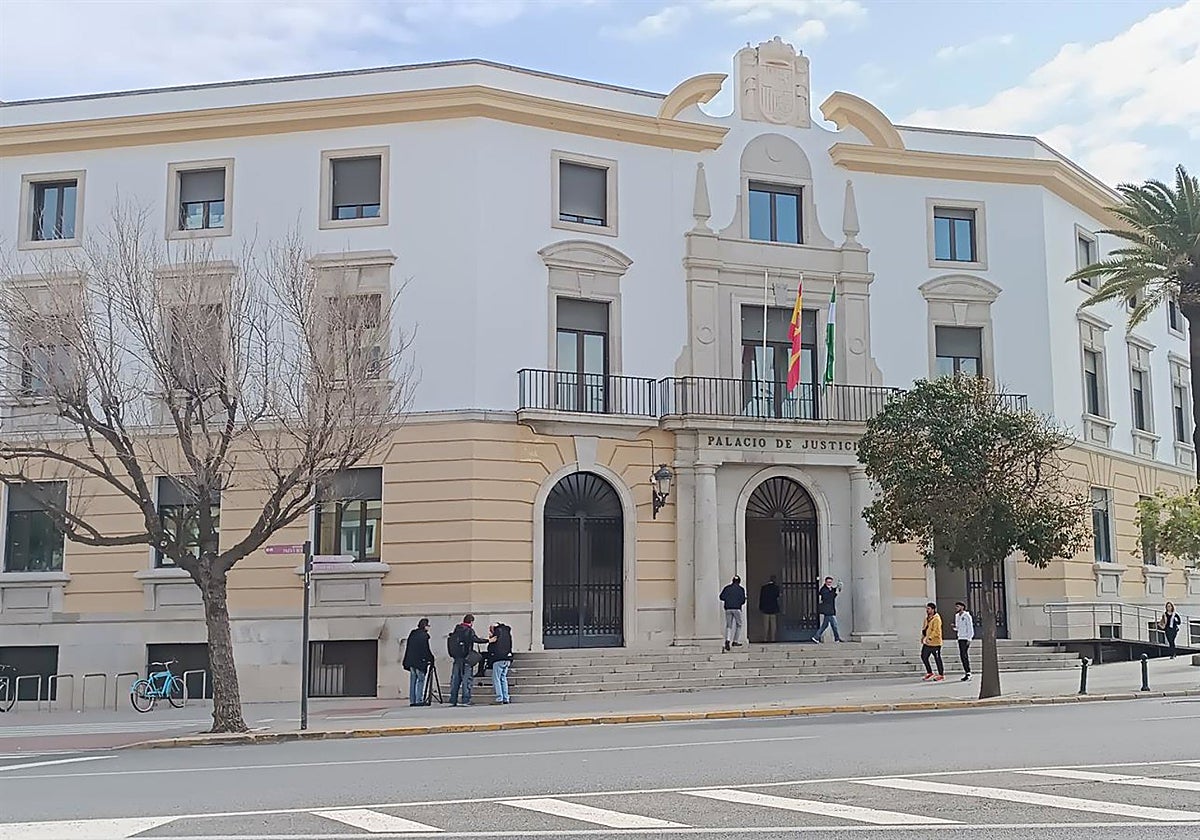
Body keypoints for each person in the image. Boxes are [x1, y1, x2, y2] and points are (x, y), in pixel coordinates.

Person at [447, 613, 486, 707]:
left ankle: (453, 699)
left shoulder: (457, 630)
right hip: (466, 658)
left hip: (457, 657)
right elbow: (475, 639)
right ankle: (466, 699)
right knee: (467, 679)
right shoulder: (469, 631)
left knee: (455, 679)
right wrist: (488, 640)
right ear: (471, 622)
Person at [402, 618, 434, 706]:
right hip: (420, 662)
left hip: (411, 661)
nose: (429, 627)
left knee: (413, 681)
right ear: (425, 626)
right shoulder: (423, 636)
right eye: (428, 625)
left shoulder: (413, 634)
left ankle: (412, 700)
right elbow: (426, 650)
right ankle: (419, 700)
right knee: (420, 680)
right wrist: (431, 658)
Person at [487, 621, 514, 704]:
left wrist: (490, 638)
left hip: (498, 658)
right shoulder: (506, 632)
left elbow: (491, 648)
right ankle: (506, 698)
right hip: (507, 658)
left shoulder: (497, 634)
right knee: (503, 678)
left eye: (491, 629)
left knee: (496, 679)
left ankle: (499, 698)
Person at [720, 575, 747, 652]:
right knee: (739, 624)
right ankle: (735, 641)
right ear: (739, 582)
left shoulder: (727, 588)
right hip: (737, 609)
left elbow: (721, 597)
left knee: (729, 625)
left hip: (728, 608)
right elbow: (743, 601)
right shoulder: (741, 589)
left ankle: (728, 640)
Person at [813, 577, 842, 643]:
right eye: (828, 582)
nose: (829, 583)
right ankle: (837, 638)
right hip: (828, 610)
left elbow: (833, 591)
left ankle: (816, 637)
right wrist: (835, 594)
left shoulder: (830, 589)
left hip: (830, 609)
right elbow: (828, 597)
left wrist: (838, 587)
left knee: (825, 626)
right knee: (834, 625)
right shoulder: (823, 590)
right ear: (825, 582)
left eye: (830, 582)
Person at [921, 602, 945, 682]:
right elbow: (924, 629)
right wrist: (923, 637)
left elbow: (936, 630)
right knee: (924, 656)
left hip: (935, 643)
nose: (927, 610)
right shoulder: (927, 618)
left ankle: (941, 674)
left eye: (928, 609)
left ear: (933, 609)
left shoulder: (936, 619)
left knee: (937, 659)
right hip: (927, 643)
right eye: (926, 609)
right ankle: (929, 672)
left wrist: (930, 637)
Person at [953, 601, 974, 682]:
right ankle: (967, 672)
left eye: (958, 606)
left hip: (965, 638)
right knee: (962, 655)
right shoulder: (957, 616)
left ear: (962, 607)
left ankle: (968, 672)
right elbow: (958, 627)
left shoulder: (967, 616)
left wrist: (969, 638)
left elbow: (969, 627)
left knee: (964, 655)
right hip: (960, 637)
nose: (956, 608)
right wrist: (955, 628)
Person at [758, 575, 781, 642]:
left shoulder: (764, 588)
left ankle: (765, 638)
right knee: (773, 624)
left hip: (765, 608)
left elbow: (761, 598)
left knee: (765, 625)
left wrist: (761, 607)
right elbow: (778, 597)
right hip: (773, 608)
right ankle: (773, 638)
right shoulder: (776, 588)